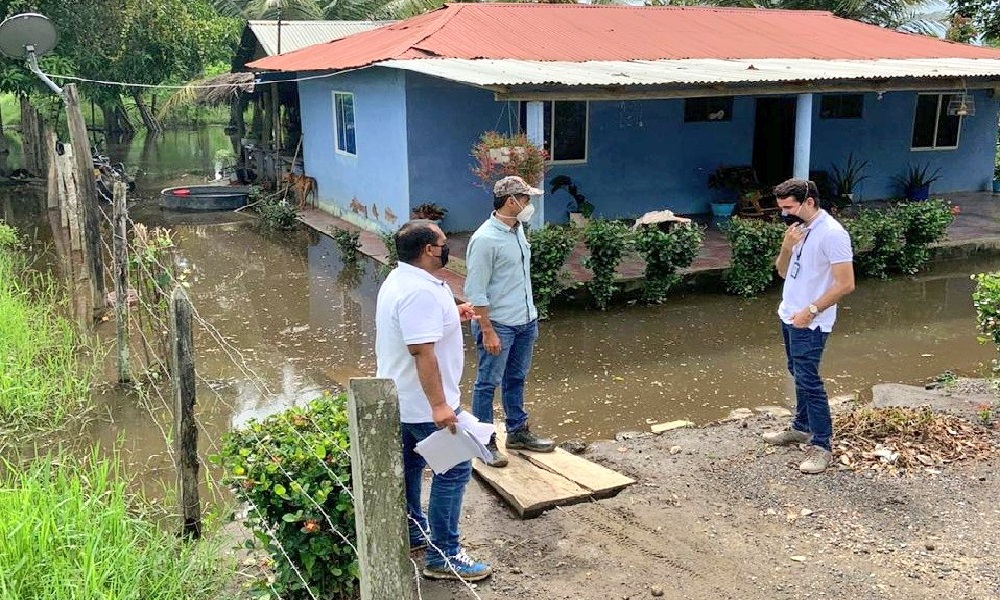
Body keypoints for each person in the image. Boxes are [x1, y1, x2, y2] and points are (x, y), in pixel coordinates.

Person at [375, 219, 492, 581]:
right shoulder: (419, 292)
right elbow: (421, 350)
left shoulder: (403, 280)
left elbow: (417, 329)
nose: (447, 247)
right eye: (442, 242)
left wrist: (450, 316)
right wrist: (441, 406)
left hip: (403, 398)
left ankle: (414, 532)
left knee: (410, 465)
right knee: (454, 469)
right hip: (426, 403)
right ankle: (444, 554)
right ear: (428, 249)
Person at [763, 178, 856, 474]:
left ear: (809, 202)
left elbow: (846, 284)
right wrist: (786, 247)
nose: (784, 214)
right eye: (782, 208)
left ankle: (822, 446)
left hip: (811, 321)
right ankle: (801, 427)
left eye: (789, 207)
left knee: (809, 381)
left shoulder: (833, 234)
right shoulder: (798, 230)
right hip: (789, 314)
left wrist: (812, 310)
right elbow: (782, 272)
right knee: (797, 372)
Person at [465, 175, 556, 468]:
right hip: (499, 324)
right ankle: (484, 440)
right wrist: (488, 330)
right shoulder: (484, 239)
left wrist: (531, 316)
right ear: (511, 201)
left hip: (525, 320)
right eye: (526, 199)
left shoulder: (517, 230)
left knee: (516, 378)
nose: (530, 204)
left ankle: (517, 432)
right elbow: (475, 291)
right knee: (487, 383)